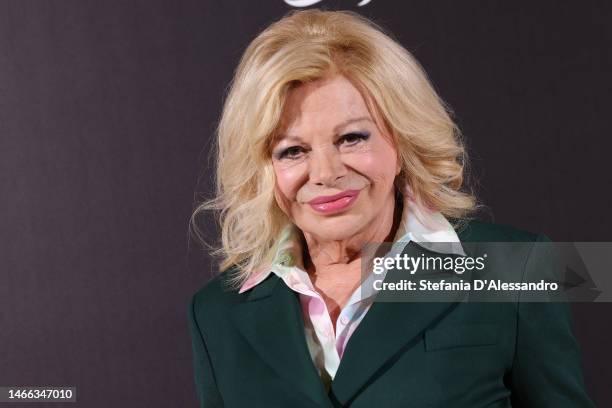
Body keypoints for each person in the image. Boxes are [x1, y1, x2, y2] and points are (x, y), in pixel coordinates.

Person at [187, 9, 595, 407]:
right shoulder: (216, 313)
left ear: (401, 141)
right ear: (263, 169)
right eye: (293, 150)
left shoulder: (517, 268)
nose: (326, 173)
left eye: (351, 138)